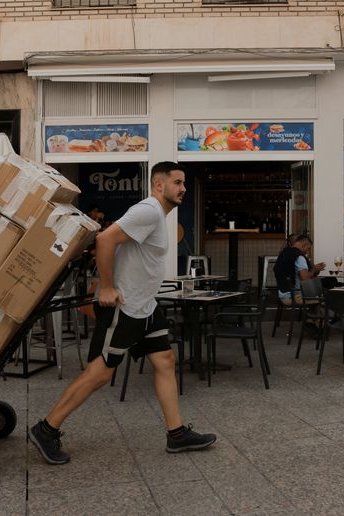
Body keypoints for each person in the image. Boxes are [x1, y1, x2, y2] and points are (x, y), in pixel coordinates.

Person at [29, 161, 216, 465]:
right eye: (178, 182)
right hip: (126, 309)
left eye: (184, 183)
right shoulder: (149, 210)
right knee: (100, 373)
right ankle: (46, 429)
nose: (183, 189)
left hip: (145, 306)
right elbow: (105, 239)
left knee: (165, 361)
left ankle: (177, 434)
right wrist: (106, 287)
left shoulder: (156, 215)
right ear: (159, 185)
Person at [274, 235, 325, 305]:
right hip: (295, 295)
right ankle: (317, 314)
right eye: (308, 248)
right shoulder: (299, 257)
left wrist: (314, 270)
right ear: (304, 245)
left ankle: (313, 313)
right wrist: (314, 269)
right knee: (329, 294)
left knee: (323, 285)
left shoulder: (284, 252)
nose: (308, 252)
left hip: (283, 293)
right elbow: (306, 279)